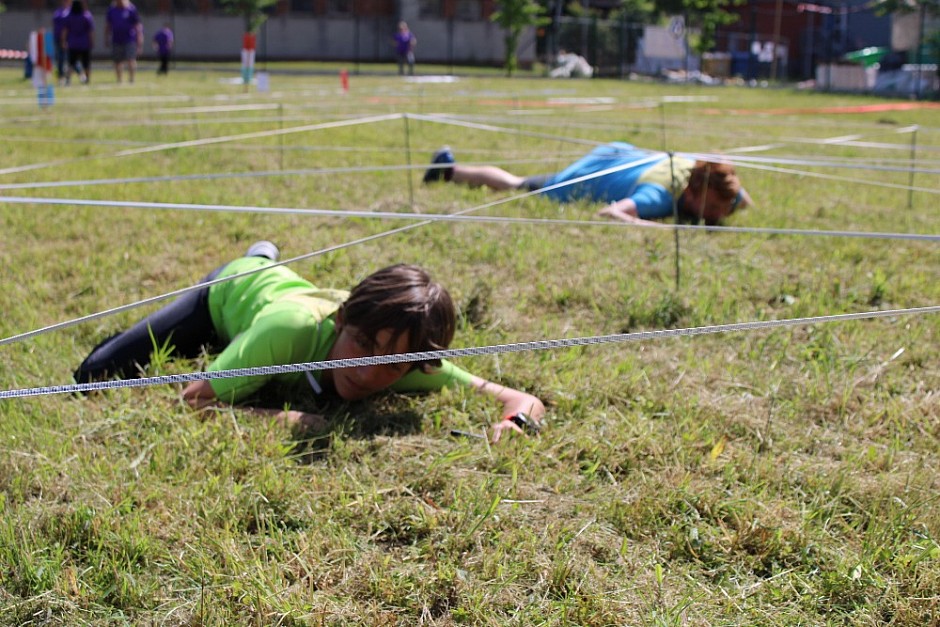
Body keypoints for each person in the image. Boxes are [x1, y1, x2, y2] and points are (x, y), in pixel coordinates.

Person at [74, 242, 545, 442]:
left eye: (392, 365)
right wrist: (285, 418)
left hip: (283, 293)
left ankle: (266, 252)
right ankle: (257, 255)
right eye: (362, 345)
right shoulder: (293, 330)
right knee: (95, 371)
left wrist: (517, 423)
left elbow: (521, 398)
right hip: (231, 293)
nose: (368, 373)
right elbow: (194, 400)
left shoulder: (411, 355)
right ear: (341, 320)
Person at [423, 143, 752, 226]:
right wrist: (670, 229)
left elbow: (738, 196)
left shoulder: (703, 172)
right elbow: (610, 214)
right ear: (693, 192)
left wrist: (736, 200)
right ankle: (450, 170)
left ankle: (451, 170)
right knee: (517, 184)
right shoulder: (658, 197)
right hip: (584, 179)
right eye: (711, 210)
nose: (716, 216)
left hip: (616, 153)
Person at [105, 0, 142, 83]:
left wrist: (139, 40)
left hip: (130, 39)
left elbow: (137, 26)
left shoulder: (131, 9)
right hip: (116, 39)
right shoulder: (111, 10)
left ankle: (132, 79)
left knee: (131, 59)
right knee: (117, 61)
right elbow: (107, 25)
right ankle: (119, 79)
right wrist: (106, 38)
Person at [62, 0, 94, 85]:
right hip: (84, 43)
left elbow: (65, 31)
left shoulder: (69, 16)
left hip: (73, 43)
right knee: (86, 63)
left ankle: (68, 79)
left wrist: (63, 41)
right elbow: (90, 31)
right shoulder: (86, 16)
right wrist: (91, 41)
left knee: (71, 63)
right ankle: (87, 79)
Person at [52, 0, 70, 83]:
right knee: (60, 58)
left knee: (70, 58)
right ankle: (61, 76)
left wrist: (65, 40)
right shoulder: (58, 12)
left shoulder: (70, 12)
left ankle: (79, 74)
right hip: (58, 38)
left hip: (68, 39)